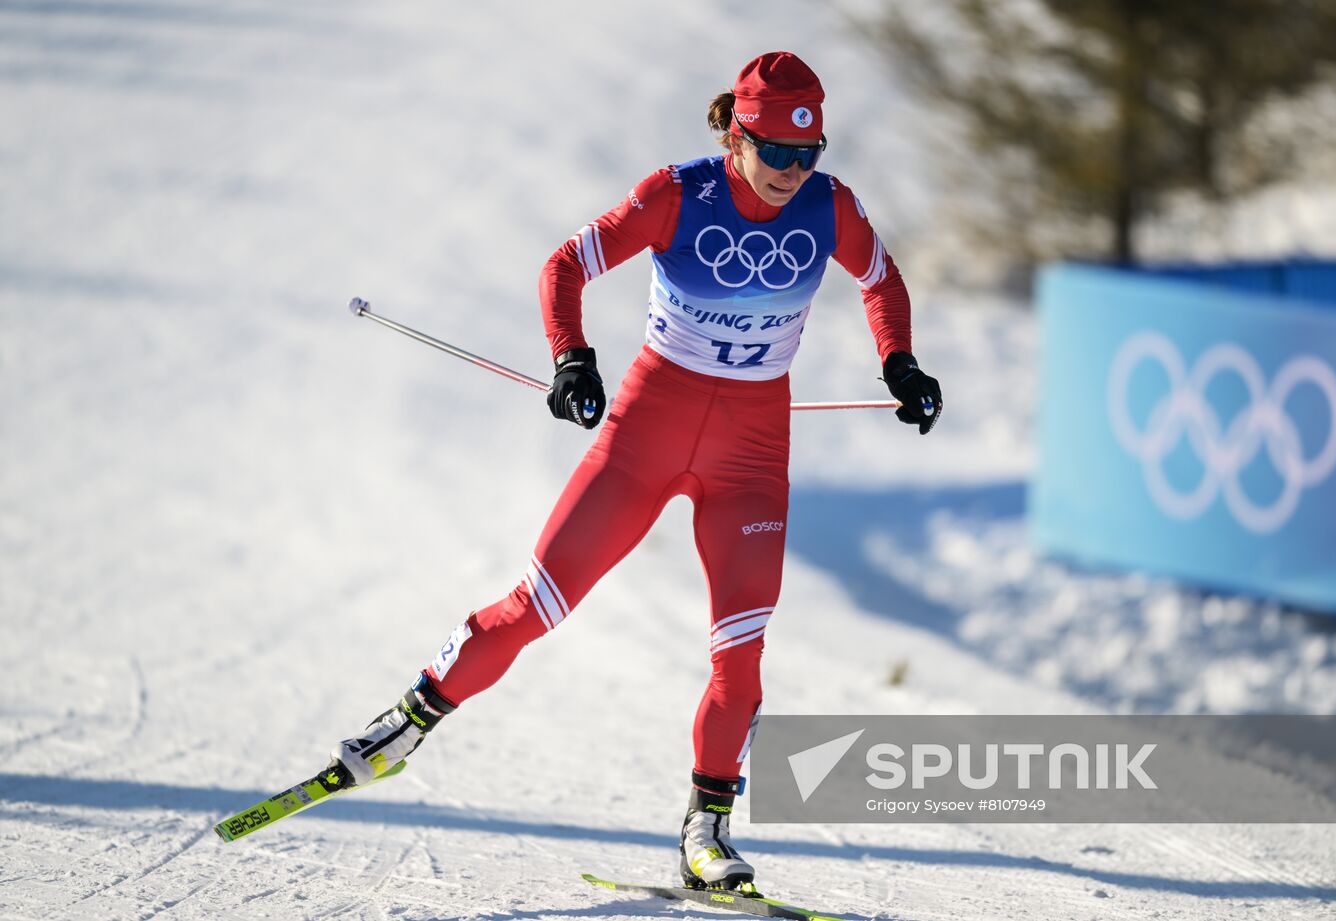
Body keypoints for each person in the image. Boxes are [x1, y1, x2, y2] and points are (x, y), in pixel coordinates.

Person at [325, 51, 942, 892]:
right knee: (537, 604)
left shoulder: (832, 209)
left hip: (752, 458)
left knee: (741, 654)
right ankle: (406, 722)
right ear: (736, 136)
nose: (795, 174)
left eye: (811, 154)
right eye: (778, 155)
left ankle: (706, 832)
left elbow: (882, 280)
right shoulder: (677, 193)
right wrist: (572, 357)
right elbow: (564, 266)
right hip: (645, 432)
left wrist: (900, 365)